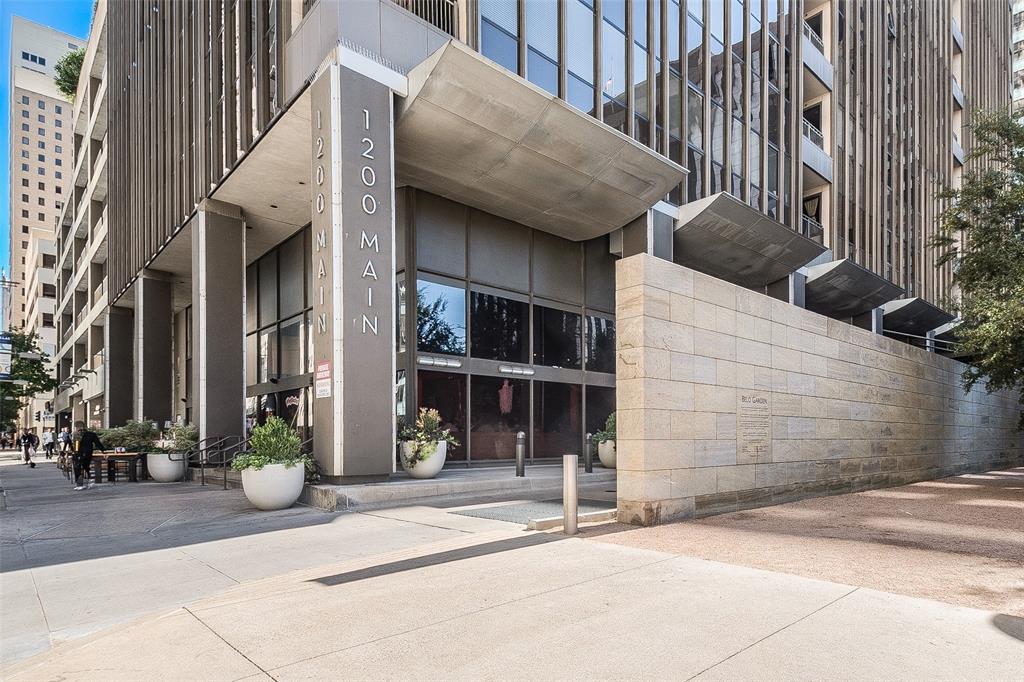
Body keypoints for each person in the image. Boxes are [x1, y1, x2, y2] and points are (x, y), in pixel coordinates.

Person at [72, 421, 106, 490]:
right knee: (86, 467)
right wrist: (103, 451)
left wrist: (74, 452)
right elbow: (98, 443)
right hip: (88, 453)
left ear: (77, 427)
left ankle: (79, 484)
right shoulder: (91, 434)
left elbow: (76, 446)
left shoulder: (77, 435)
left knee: (78, 467)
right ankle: (89, 480)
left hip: (79, 454)